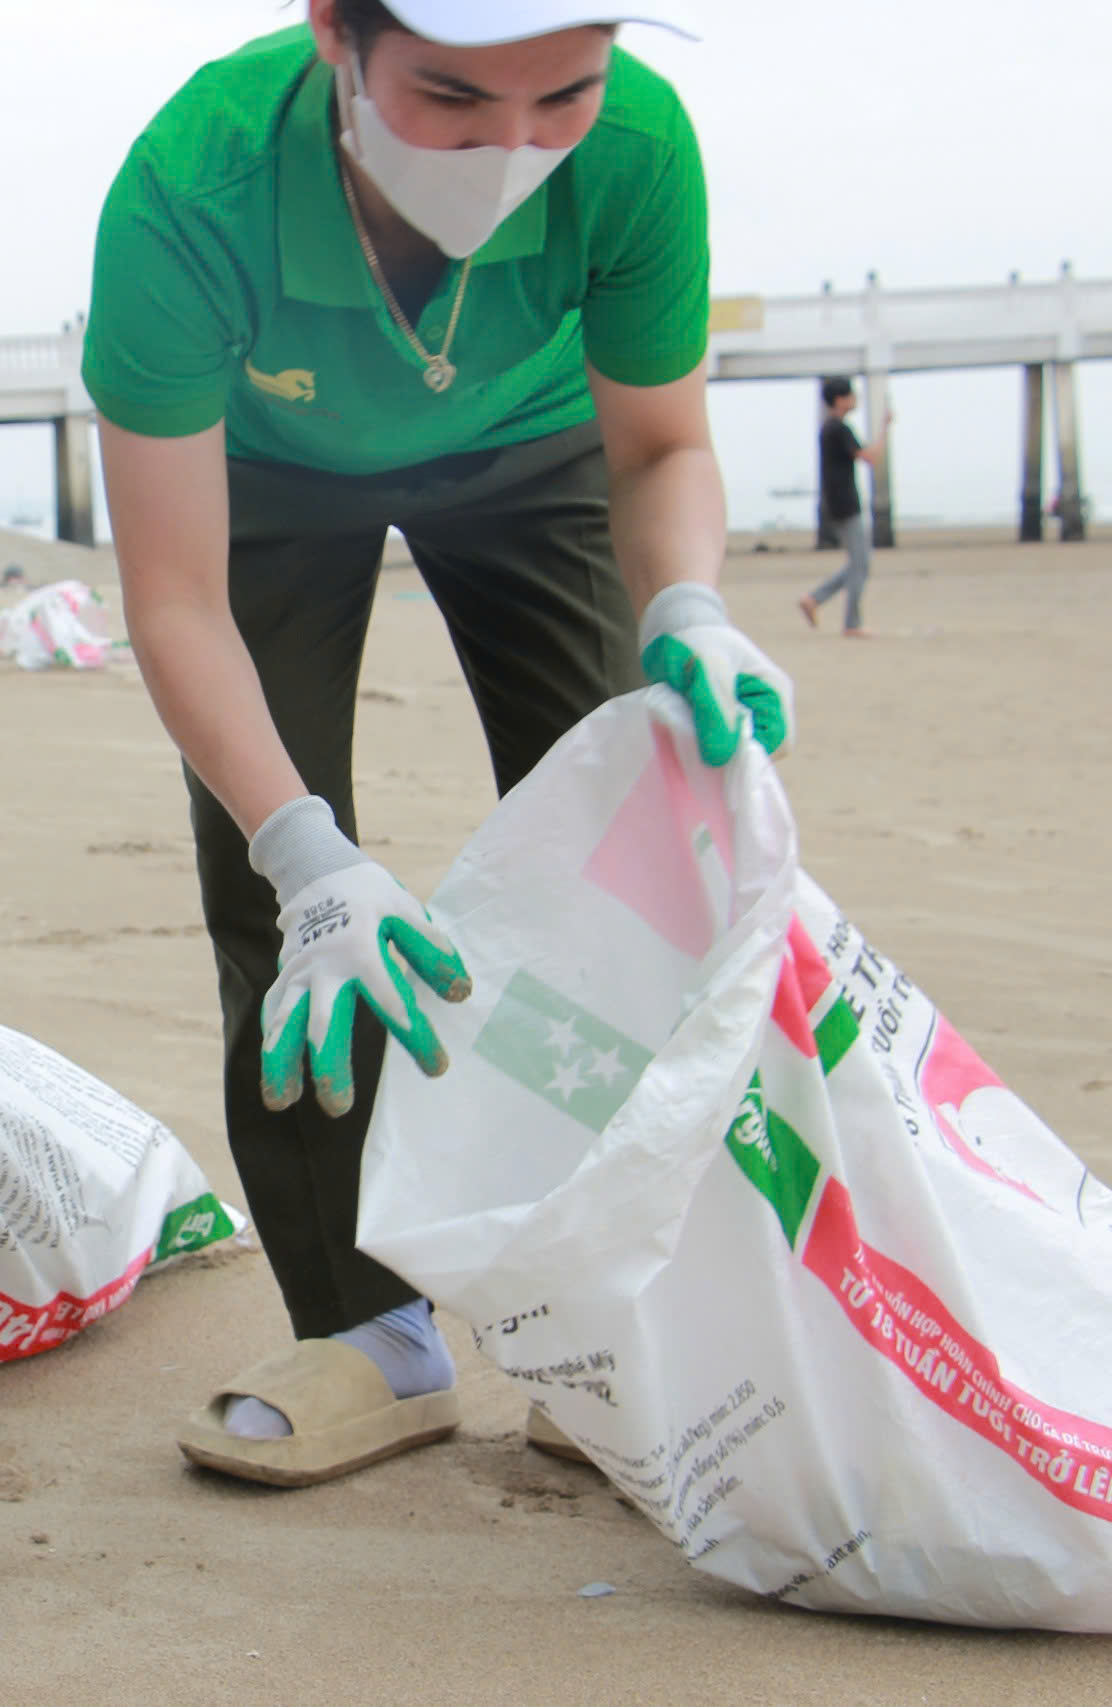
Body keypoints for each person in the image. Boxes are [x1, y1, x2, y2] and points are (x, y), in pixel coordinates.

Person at [85, 0, 791, 1488]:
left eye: (563, 98)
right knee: (280, 909)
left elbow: (661, 439)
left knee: (638, 867)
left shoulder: (641, 145)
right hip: (269, 475)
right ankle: (369, 1329)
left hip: (533, 451)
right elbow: (172, 599)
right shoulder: (194, 183)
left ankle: (601, 1317)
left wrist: (689, 602)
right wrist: (308, 854)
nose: (513, 152)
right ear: (334, 30)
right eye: (454, 98)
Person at [799, 375, 889, 635]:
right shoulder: (838, 428)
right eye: (851, 395)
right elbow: (870, 457)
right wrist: (884, 428)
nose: (855, 399)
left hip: (835, 503)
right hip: (846, 503)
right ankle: (851, 623)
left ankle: (814, 599)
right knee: (860, 563)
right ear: (840, 399)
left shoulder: (829, 428)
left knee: (858, 562)